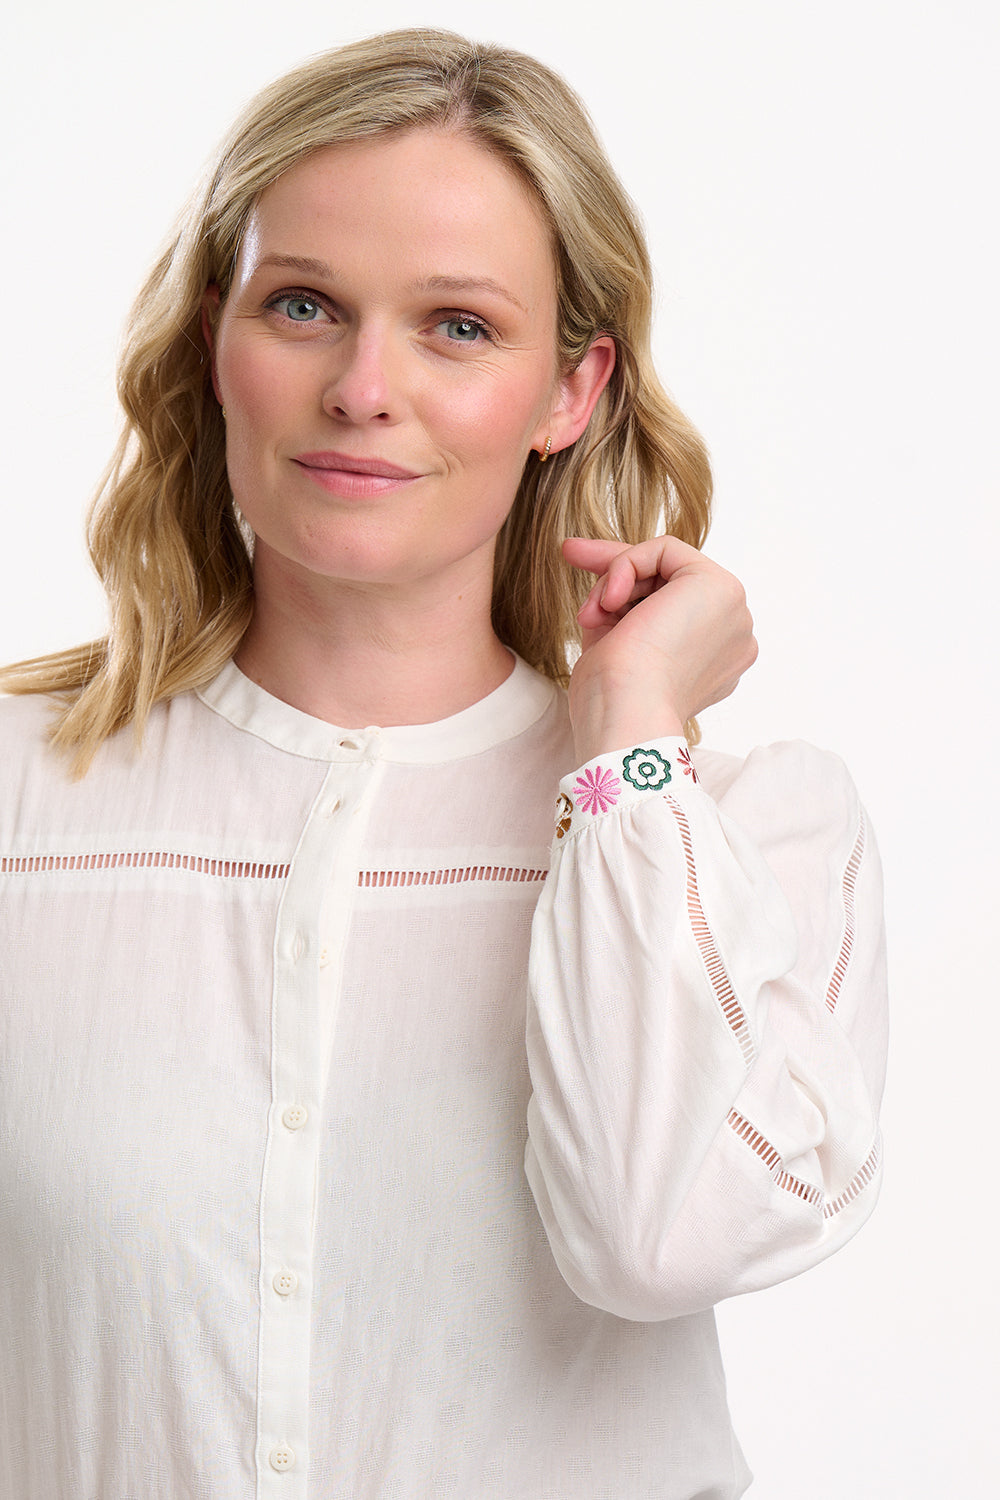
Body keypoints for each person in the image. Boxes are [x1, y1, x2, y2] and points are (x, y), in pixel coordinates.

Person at [0, 28, 888, 1500]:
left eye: (459, 326)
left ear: (570, 391)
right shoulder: (25, 800)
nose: (364, 387)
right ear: (211, 342)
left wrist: (626, 751)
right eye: (302, 305)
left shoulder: (747, 830)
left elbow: (658, 1238)